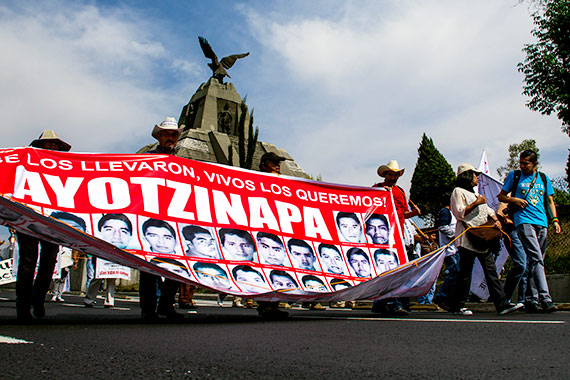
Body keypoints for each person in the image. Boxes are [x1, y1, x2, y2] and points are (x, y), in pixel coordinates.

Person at [448, 163, 520, 316]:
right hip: (467, 238)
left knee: (491, 271)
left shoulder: (476, 194)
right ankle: (457, 305)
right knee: (465, 273)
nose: (477, 178)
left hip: (482, 238)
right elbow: (459, 213)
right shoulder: (458, 192)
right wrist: (476, 203)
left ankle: (502, 305)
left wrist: (496, 219)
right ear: (467, 176)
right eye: (475, 175)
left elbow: (489, 210)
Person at [15, 130, 71, 320]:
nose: (53, 147)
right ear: (40, 146)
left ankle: (38, 301)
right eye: (50, 144)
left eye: (56, 145)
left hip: (52, 222)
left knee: (49, 262)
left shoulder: (64, 171)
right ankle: (22, 306)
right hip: (29, 219)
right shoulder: (27, 167)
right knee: (28, 262)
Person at [498, 150, 561, 313]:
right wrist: (515, 200)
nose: (522, 166)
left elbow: (549, 200)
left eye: (526, 163)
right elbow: (501, 196)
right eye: (521, 162)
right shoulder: (515, 176)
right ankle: (545, 298)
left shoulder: (543, 178)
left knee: (536, 261)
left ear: (534, 164)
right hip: (523, 221)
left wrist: (554, 220)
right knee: (536, 257)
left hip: (542, 222)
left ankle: (531, 300)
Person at [138, 117, 184, 321]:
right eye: (167, 134)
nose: (171, 137)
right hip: (151, 216)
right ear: (159, 136)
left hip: (174, 219)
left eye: (174, 134)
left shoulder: (182, 163)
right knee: (149, 265)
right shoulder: (147, 158)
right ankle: (148, 309)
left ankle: (166, 305)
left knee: (176, 265)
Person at [371, 160, 420, 316]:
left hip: (397, 234)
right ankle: (391, 303)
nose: (393, 178)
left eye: (395, 175)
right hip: (381, 235)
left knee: (395, 269)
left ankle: (384, 303)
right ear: (385, 175)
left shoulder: (400, 191)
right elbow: (368, 208)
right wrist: (380, 195)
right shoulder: (376, 189)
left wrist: (414, 214)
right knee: (386, 269)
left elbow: (403, 213)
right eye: (391, 175)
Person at [256, 152, 290, 318]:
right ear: (264, 164)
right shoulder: (254, 179)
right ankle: (265, 304)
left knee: (277, 268)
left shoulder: (282, 182)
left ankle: (273, 303)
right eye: (274, 162)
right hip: (261, 231)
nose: (278, 165)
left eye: (279, 162)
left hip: (277, 231)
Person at [84, 214, 132, 308]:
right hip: (100, 254)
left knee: (112, 278)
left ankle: (109, 301)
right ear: (100, 230)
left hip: (115, 255)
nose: (116, 234)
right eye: (109, 229)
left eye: (122, 230)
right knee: (97, 277)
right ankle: (89, 299)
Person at [433, 196, 460, 311]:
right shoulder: (445, 212)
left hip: (455, 249)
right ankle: (442, 296)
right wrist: (457, 235)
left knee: (457, 273)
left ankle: (450, 298)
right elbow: (443, 227)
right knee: (454, 272)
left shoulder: (453, 214)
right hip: (450, 250)